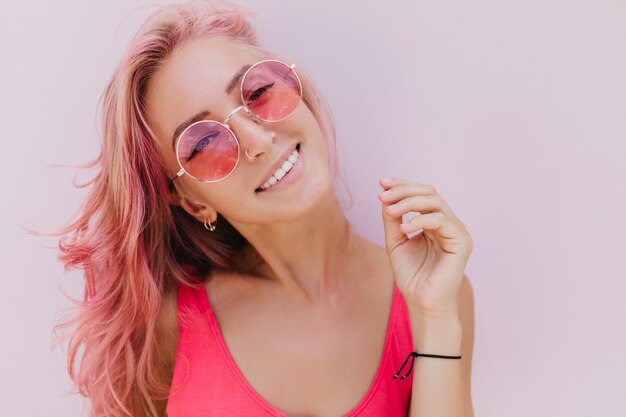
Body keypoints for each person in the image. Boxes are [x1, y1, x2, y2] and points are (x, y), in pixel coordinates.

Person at [51, 1, 475, 416]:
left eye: (258, 92)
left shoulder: (432, 294)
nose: (257, 141)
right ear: (192, 201)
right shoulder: (166, 327)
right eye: (203, 143)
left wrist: (435, 319)